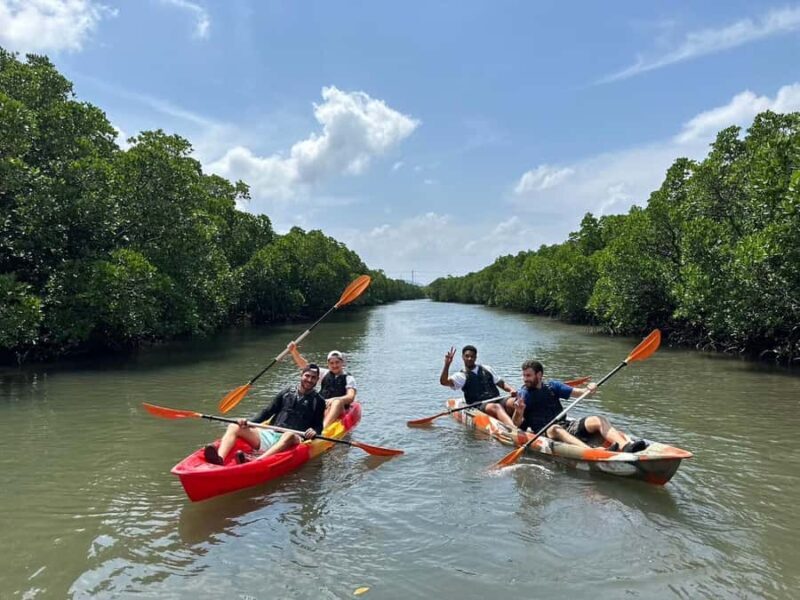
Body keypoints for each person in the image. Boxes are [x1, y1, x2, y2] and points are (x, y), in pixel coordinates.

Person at [512, 359, 647, 452]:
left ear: (539, 375)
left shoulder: (553, 386)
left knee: (597, 419)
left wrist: (590, 389)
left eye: (528, 375)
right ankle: (590, 451)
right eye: (524, 375)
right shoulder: (523, 394)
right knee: (555, 428)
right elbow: (516, 424)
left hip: (566, 425)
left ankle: (626, 446)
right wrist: (519, 411)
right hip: (545, 432)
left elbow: (582, 394)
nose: (525, 379)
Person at [204, 365, 325, 465]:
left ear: (317, 379)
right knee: (234, 426)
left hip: (294, 439)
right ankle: (219, 458)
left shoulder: (318, 401)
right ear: (301, 375)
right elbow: (267, 412)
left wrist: (314, 431)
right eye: (307, 376)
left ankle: (256, 462)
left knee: (288, 435)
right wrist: (249, 423)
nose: (309, 380)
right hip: (271, 434)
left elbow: (319, 426)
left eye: (313, 378)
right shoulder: (286, 392)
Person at [440, 345, 517, 428]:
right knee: (496, 407)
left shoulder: (487, 368)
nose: (469, 358)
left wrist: (511, 389)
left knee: (514, 402)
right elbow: (444, 382)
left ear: (476, 357)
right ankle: (513, 429)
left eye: (472, 356)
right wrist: (447, 365)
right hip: (478, 405)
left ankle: (525, 424)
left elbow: (501, 383)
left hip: (496, 399)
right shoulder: (460, 376)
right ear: (462, 357)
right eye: (467, 356)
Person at [288, 342, 357, 428]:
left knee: (337, 403)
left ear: (342, 363)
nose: (334, 365)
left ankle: (322, 429)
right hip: (323, 405)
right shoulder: (324, 373)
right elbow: (305, 366)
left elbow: (351, 397)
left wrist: (334, 399)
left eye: (337, 362)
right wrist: (293, 351)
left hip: (339, 409)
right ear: (328, 364)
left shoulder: (349, 378)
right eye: (331, 363)